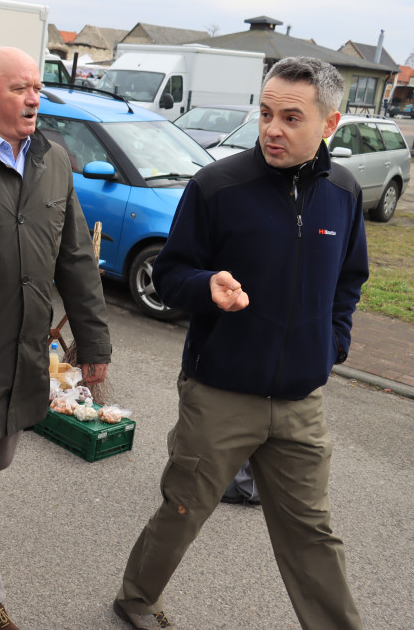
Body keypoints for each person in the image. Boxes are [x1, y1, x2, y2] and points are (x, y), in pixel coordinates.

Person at [113, 56, 367, 630]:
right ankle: (135, 599)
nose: (272, 129)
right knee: (183, 508)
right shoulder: (217, 186)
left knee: (312, 533)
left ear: (329, 124)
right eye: (267, 112)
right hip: (220, 391)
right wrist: (208, 286)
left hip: (301, 401)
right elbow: (171, 274)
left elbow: (350, 279)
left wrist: (333, 345)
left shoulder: (344, 194)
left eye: (291, 118)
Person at [0, 47, 112, 630]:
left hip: (26, 356)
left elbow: (75, 256)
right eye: (19, 87)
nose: (33, 98)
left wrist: (92, 344)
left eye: (38, 87)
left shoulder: (54, 159)